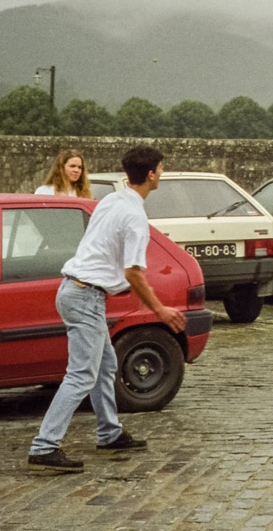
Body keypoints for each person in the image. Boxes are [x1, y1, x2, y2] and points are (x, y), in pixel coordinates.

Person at [27, 146, 186, 471]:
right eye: (161, 169)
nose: (161, 173)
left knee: (104, 365)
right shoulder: (134, 216)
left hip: (78, 290)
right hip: (84, 295)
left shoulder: (112, 200)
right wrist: (161, 310)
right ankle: (44, 447)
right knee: (82, 375)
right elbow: (134, 272)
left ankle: (109, 432)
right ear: (152, 174)